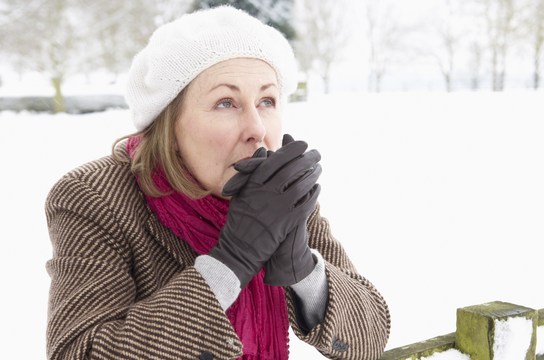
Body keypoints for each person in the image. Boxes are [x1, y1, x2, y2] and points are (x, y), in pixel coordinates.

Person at [45, 6, 390, 360]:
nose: (257, 128)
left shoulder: (279, 194)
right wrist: (229, 262)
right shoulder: (93, 196)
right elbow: (77, 352)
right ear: (169, 124)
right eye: (226, 102)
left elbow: (370, 337)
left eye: (267, 101)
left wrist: (304, 270)